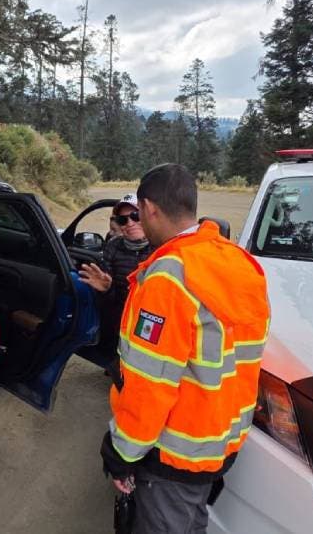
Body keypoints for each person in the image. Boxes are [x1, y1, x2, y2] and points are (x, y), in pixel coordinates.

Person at [100, 164, 270, 534]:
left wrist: (121, 452)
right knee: (194, 523)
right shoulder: (238, 263)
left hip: (173, 453)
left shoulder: (167, 278)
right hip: (218, 443)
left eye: (139, 213)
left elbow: (150, 384)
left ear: (150, 207)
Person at [78, 194, 153, 367]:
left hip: (148, 322)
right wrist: (106, 289)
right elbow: (108, 299)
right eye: (122, 220)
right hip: (119, 320)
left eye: (135, 216)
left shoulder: (162, 247)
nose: (129, 224)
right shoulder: (113, 246)